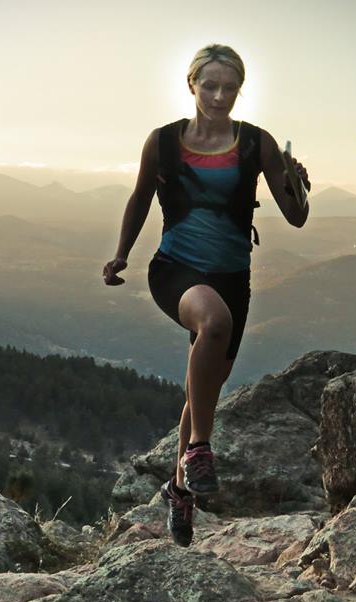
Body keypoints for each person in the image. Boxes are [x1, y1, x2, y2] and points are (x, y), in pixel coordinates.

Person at [102, 44, 310, 547]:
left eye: (230, 87)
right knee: (212, 323)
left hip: (233, 277)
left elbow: (296, 216)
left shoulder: (256, 143)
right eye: (210, 85)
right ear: (191, 85)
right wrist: (122, 254)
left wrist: (297, 184)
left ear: (240, 90)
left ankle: (179, 490)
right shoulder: (164, 142)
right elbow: (139, 197)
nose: (219, 96)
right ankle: (198, 452)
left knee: (206, 388)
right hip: (174, 269)